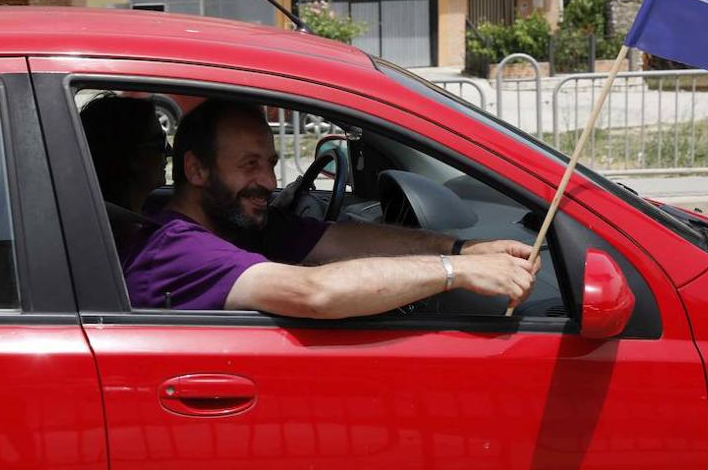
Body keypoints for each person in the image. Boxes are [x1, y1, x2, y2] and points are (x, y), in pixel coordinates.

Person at [122, 98, 537, 318]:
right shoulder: (176, 250)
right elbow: (313, 293)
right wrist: (458, 273)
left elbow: (338, 239)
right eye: (249, 165)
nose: (268, 182)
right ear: (195, 169)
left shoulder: (235, 221)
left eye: (270, 163)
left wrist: (459, 248)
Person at [79, 94, 171, 248]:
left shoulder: (97, 220)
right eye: (160, 141)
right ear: (132, 156)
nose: (169, 151)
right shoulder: (127, 239)